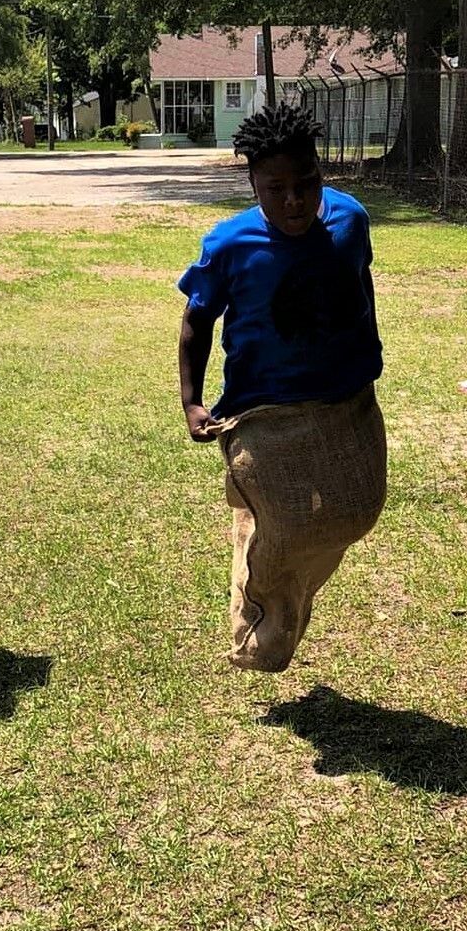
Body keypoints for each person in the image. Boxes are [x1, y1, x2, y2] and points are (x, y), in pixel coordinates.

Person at [177, 104, 386, 673]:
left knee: (358, 511)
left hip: (345, 401)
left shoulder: (350, 220)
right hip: (261, 409)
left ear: (321, 173)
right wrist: (193, 401)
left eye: (306, 183)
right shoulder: (229, 243)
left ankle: (276, 577)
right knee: (291, 522)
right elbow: (197, 321)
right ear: (252, 185)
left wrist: (363, 353)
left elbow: (357, 283)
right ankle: (263, 606)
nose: (294, 200)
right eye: (276, 188)